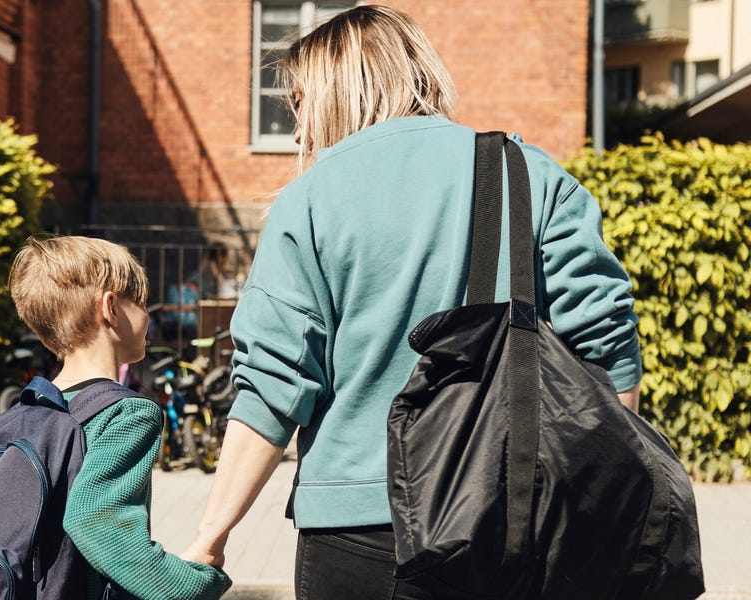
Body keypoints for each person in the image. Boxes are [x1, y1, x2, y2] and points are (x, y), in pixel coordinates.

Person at [179, 5, 643, 599]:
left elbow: (274, 385)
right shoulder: (530, 175)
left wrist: (210, 537)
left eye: (299, 103)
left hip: (354, 529)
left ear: (341, 89)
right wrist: (603, 507)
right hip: (509, 521)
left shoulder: (310, 201)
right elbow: (606, 345)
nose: (297, 132)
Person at [8, 235, 231, 600]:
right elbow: (93, 520)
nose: (147, 314)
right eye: (140, 302)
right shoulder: (128, 413)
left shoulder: (25, 411)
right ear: (111, 308)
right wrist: (195, 583)